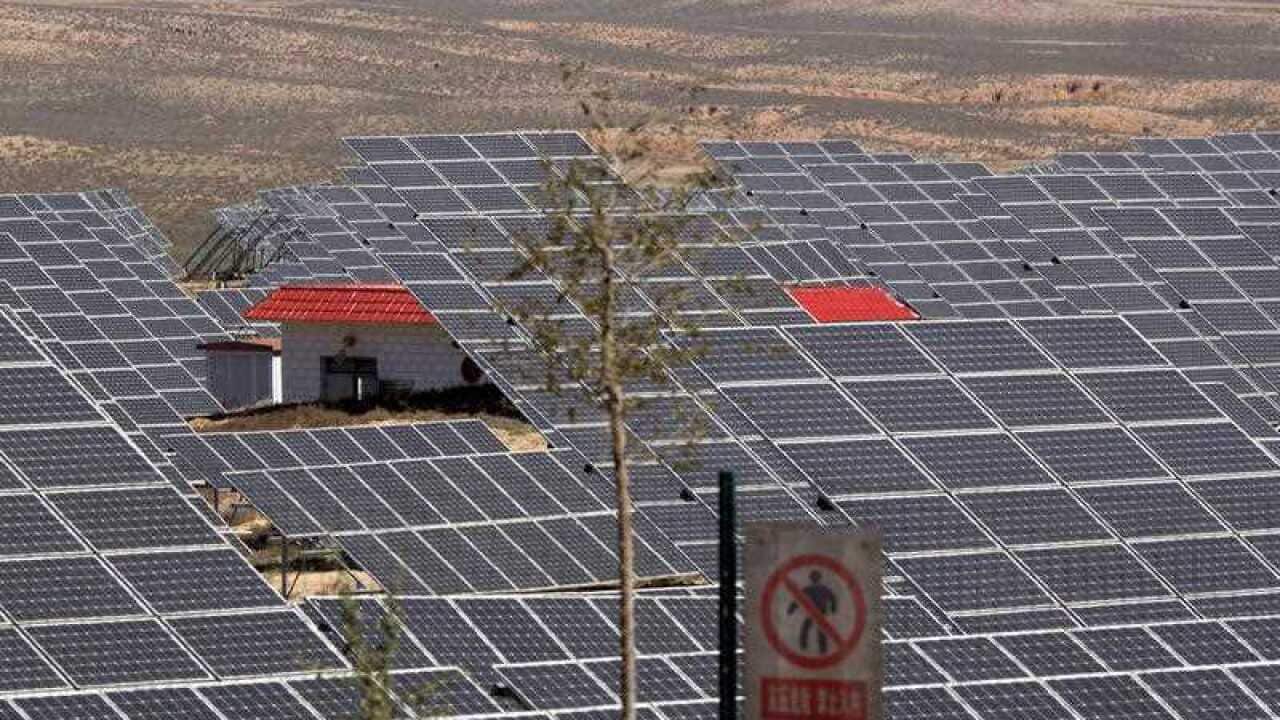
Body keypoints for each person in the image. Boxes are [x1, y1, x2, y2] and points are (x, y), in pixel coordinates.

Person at [787, 570, 838, 653]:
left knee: (807, 628)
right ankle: (822, 649)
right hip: (820, 611)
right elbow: (832, 598)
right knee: (818, 630)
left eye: (814, 577)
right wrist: (833, 608)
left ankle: (804, 646)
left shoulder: (809, 589)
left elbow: (799, 599)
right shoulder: (823, 589)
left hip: (814, 611)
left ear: (811, 579)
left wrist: (791, 609)